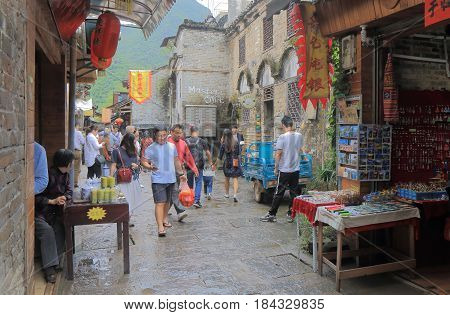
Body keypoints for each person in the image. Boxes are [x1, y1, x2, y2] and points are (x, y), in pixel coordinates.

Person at [35, 149, 74, 283]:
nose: (72, 165)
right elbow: (35, 197)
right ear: (66, 163)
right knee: (47, 232)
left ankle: (56, 260)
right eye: (70, 162)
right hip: (40, 213)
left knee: (61, 227)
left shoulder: (66, 175)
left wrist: (64, 197)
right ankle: (49, 269)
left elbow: (69, 190)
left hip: (55, 213)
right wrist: (52, 201)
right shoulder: (47, 176)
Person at [142, 126, 186, 237]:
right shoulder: (151, 148)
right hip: (158, 180)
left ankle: (165, 219)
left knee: (167, 202)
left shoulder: (171, 146)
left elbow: (176, 161)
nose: (162, 138)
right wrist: (150, 167)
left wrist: (181, 174)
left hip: (170, 179)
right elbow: (144, 162)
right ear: (155, 136)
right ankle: (160, 227)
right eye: (159, 136)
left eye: (164, 135)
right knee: (160, 203)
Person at [260, 116, 304, 223]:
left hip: (284, 170)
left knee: (279, 192)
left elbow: (278, 153)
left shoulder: (282, 137)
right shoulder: (299, 136)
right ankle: (291, 214)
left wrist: (276, 168)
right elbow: (300, 150)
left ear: (283, 125)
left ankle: (272, 214)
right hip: (295, 170)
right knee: (294, 192)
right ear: (291, 125)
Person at [167, 124, 199, 220]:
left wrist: (194, 168)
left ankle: (164, 210)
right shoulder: (166, 143)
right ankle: (180, 211)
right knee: (175, 190)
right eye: (176, 133)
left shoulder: (183, 143)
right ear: (171, 132)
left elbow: (188, 157)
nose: (179, 135)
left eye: (180, 133)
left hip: (179, 171)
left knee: (173, 192)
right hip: (168, 171)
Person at [110, 133, 143, 221]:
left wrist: (136, 165)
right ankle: (124, 218)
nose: (134, 143)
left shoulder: (133, 150)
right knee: (125, 199)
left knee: (132, 199)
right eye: (132, 141)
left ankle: (128, 218)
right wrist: (110, 178)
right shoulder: (116, 151)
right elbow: (113, 165)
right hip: (122, 178)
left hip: (133, 178)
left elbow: (137, 161)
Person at [186, 126, 212, 208]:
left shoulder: (185, 141)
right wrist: (210, 162)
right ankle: (196, 201)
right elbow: (208, 153)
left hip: (188, 165)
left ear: (190, 132)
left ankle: (190, 199)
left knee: (190, 183)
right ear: (197, 131)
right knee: (198, 182)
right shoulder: (202, 141)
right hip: (199, 165)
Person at [218, 128, 242, 202]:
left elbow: (220, 157)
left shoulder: (223, 144)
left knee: (227, 178)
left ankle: (227, 194)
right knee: (235, 178)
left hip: (227, 163)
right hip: (235, 162)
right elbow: (238, 153)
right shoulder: (236, 143)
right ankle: (235, 195)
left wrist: (215, 165)